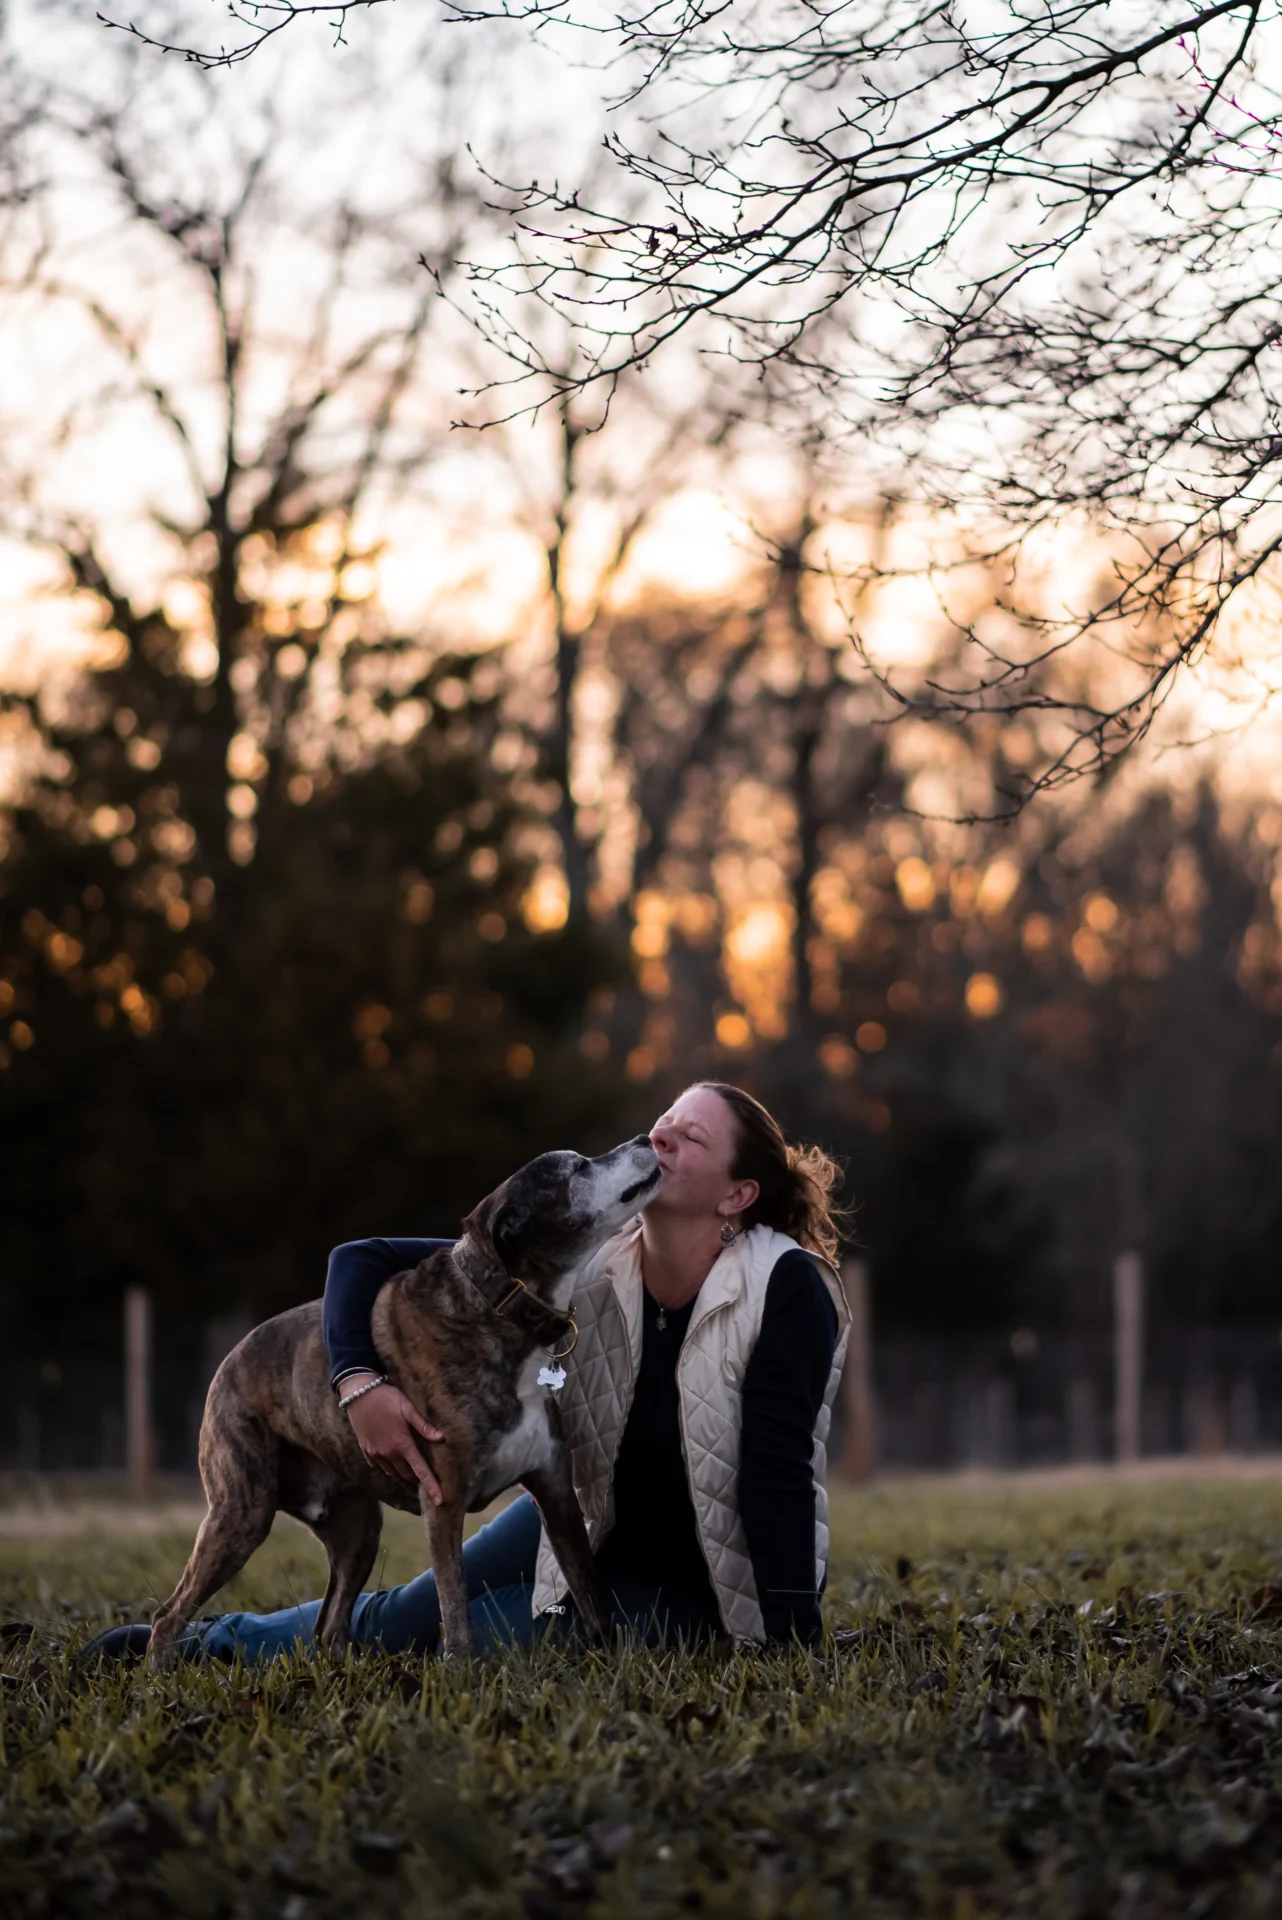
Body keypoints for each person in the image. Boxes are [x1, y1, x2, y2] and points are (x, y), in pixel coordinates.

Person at [88, 1083, 850, 1663]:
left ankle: (231, 1641)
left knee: (488, 1638)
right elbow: (360, 1261)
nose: (660, 1137)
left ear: (737, 1194)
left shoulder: (785, 1290)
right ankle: (208, 1640)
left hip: (700, 1578)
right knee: (409, 1615)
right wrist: (359, 1384)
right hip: (592, 1519)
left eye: (689, 1138)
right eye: (663, 1123)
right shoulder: (589, 1264)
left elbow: (776, 1478)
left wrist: (791, 1643)